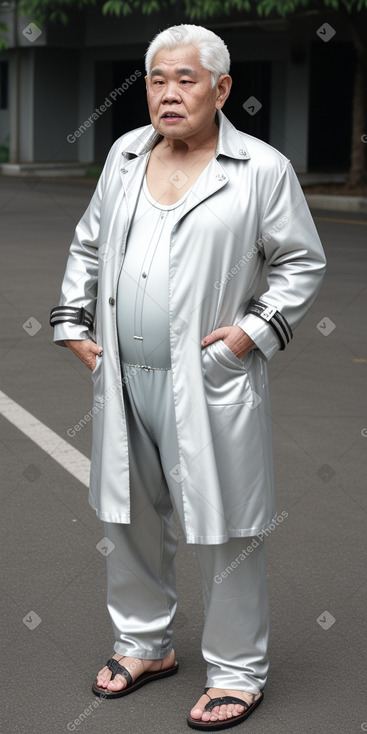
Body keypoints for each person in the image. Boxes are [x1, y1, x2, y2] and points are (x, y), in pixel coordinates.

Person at [50, 23, 326, 731]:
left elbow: (300, 262)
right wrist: (73, 325)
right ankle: (144, 646)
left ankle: (237, 671)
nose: (168, 94)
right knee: (131, 515)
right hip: (122, 376)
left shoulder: (259, 169)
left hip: (207, 382)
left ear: (221, 88)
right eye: (156, 80)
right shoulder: (124, 155)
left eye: (185, 80)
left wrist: (246, 336)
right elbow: (88, 242)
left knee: (227, 527)